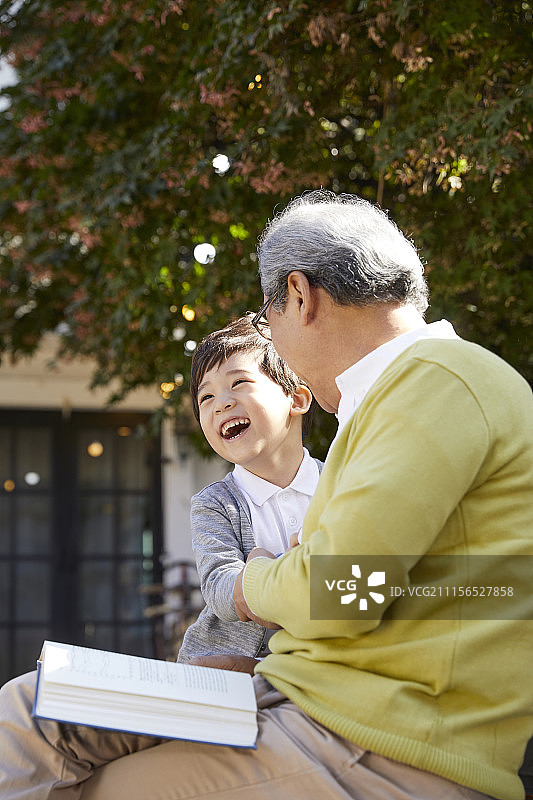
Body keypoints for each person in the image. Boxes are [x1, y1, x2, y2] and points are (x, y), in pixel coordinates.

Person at [1, 190, 532, 800]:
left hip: (371, 741)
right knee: (36, 702)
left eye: (270, 320)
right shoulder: (416, 391)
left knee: (89, 783)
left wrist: (251, 584)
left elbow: (342, 588)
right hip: (316, 701)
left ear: (300, 297)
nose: (277, 344)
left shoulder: (434, 381)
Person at [177, 314, 322, 666]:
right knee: (212, 672)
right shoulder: (215, 503)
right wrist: (258, 574)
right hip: (231, 660)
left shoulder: (340, 482)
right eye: (206, 397)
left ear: (298, 399)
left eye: (239, 383)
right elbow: (219, 585)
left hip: (318, 664)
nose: (221, 403)